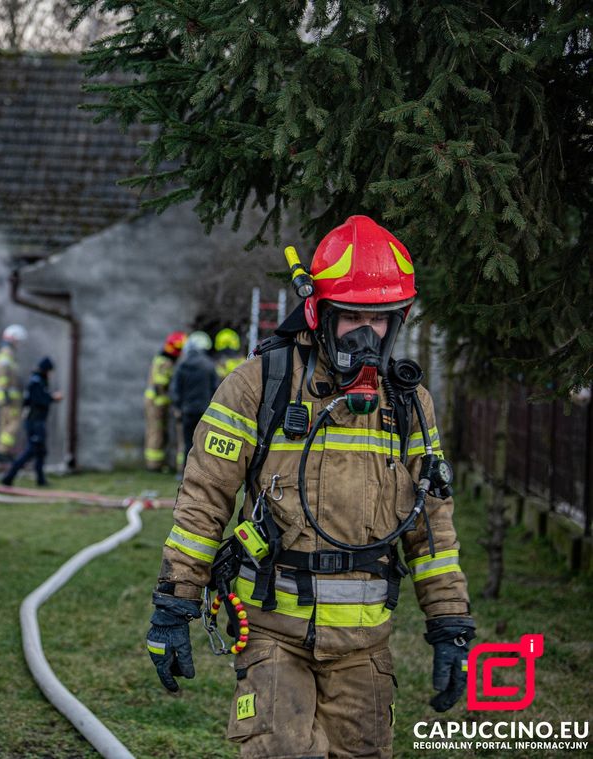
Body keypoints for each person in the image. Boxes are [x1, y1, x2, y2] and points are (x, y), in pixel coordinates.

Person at [146, 216, 472, 758]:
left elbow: (432, 523)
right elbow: (203, 498)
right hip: (272, 633)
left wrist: (450, 622)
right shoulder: (260, 384)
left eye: (381, 320)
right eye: (352, 318)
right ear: (320, 313)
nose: (367, 337)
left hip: (366, 647)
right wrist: (174, 602)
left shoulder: (409, 405)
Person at [0, 356, 62, 487]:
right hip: (35, 422)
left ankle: (41, 480)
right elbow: (39, 401)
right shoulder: (36, 382)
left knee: (41, 451)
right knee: (31, 451)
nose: (51, 375)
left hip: (37, 421)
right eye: (50, 371)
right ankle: (9, 476)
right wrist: (53, 397)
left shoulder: (38, 381)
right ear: (46, 370)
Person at [169, 330, 219, 466]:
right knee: (203, 444)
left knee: (187, 443)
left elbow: (175, 389)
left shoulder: (182, 365)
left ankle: (185, 472)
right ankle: (202, 472)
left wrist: (178, 407)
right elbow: (216, 389)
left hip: (187, 411)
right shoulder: (208, 365)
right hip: (205, 411)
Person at [144, 331, 186, 471]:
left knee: (161, 432)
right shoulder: (165, 362)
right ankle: (154, 465)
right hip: (157, 402)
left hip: (158, 401)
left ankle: (159, 464)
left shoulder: (163, 358)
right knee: (156, 432)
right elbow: (161, 384)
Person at [0, 324, 27, 457]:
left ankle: (2, 450)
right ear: (13, 339)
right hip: (10, 398)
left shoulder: (8, 353)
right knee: (13, 424)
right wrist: (3, 395)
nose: (19, 344)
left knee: (5, 423)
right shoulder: (7, 354)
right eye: (18, 341)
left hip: (9, 397)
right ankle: (4, 450)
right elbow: (2, 376)